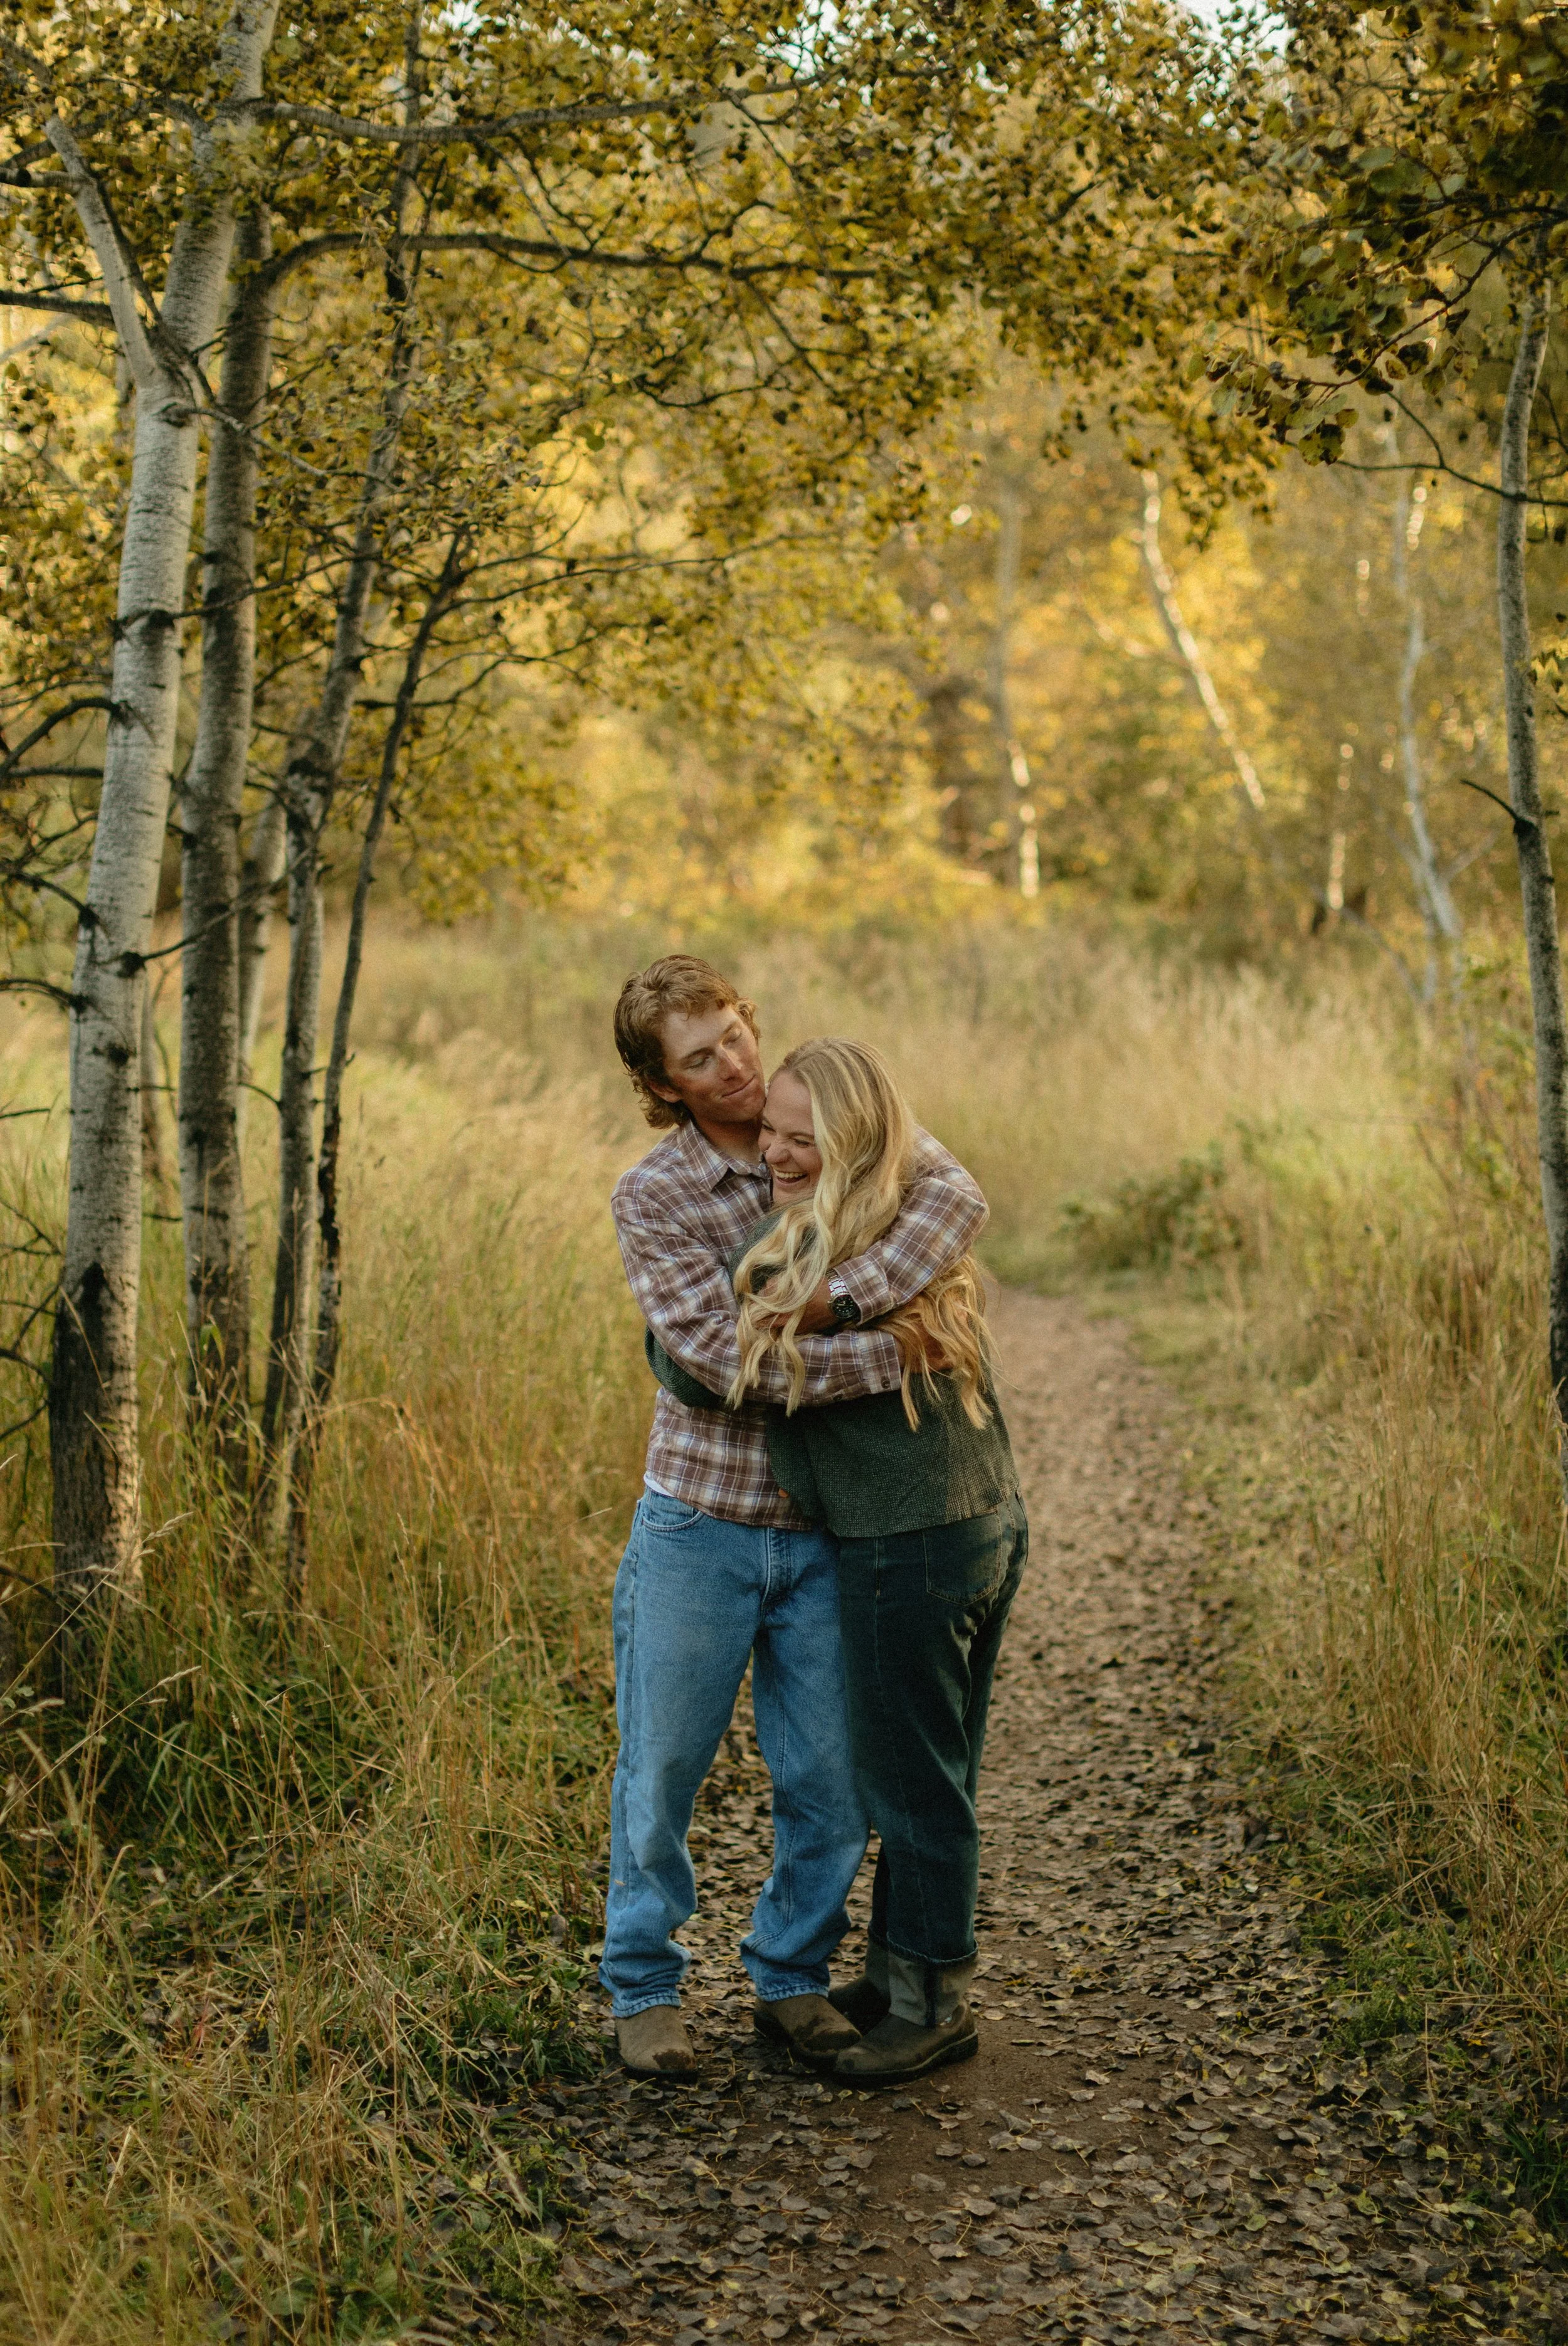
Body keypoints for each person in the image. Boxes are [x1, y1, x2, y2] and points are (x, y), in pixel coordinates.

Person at [606, 957, 988, 2078]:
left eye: (734, 1034)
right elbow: (718, 1363)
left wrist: (843, 1300)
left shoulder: (826, 1116)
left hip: (830, 1528)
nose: (733, 1067)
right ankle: (643, 1989)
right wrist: (900, 1351)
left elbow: (956, 1197)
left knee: (827, 1780)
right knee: (661, 1773)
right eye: (699, 1059)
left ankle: (789, 1978)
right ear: (663, 1085)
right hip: (701, 1523)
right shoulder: (655, 1196)